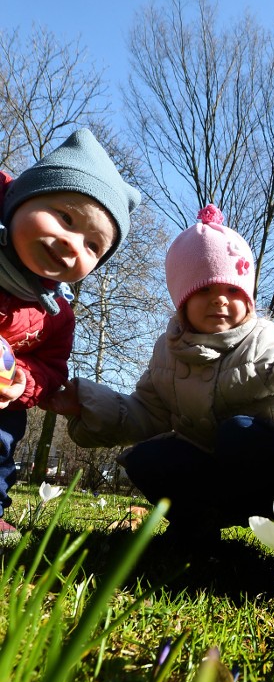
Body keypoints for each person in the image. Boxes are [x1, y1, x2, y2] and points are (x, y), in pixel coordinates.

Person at [48, 204, 274, 560]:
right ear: (182, 301)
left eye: (233, 291)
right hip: (220, 479)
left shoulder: (261, 344)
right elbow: (143, 413)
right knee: (148, 457)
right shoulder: (167, 354)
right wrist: (85, 402)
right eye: (203, 290)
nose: (219, 299)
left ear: (247, 300)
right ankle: (196, 526)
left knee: (241, 431)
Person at [0, 129, 141, 542]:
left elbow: (50, 369)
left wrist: (21, 381)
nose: (71, 244)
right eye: (65, 217)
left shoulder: (56, 315)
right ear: (21, 199)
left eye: (94, 246)